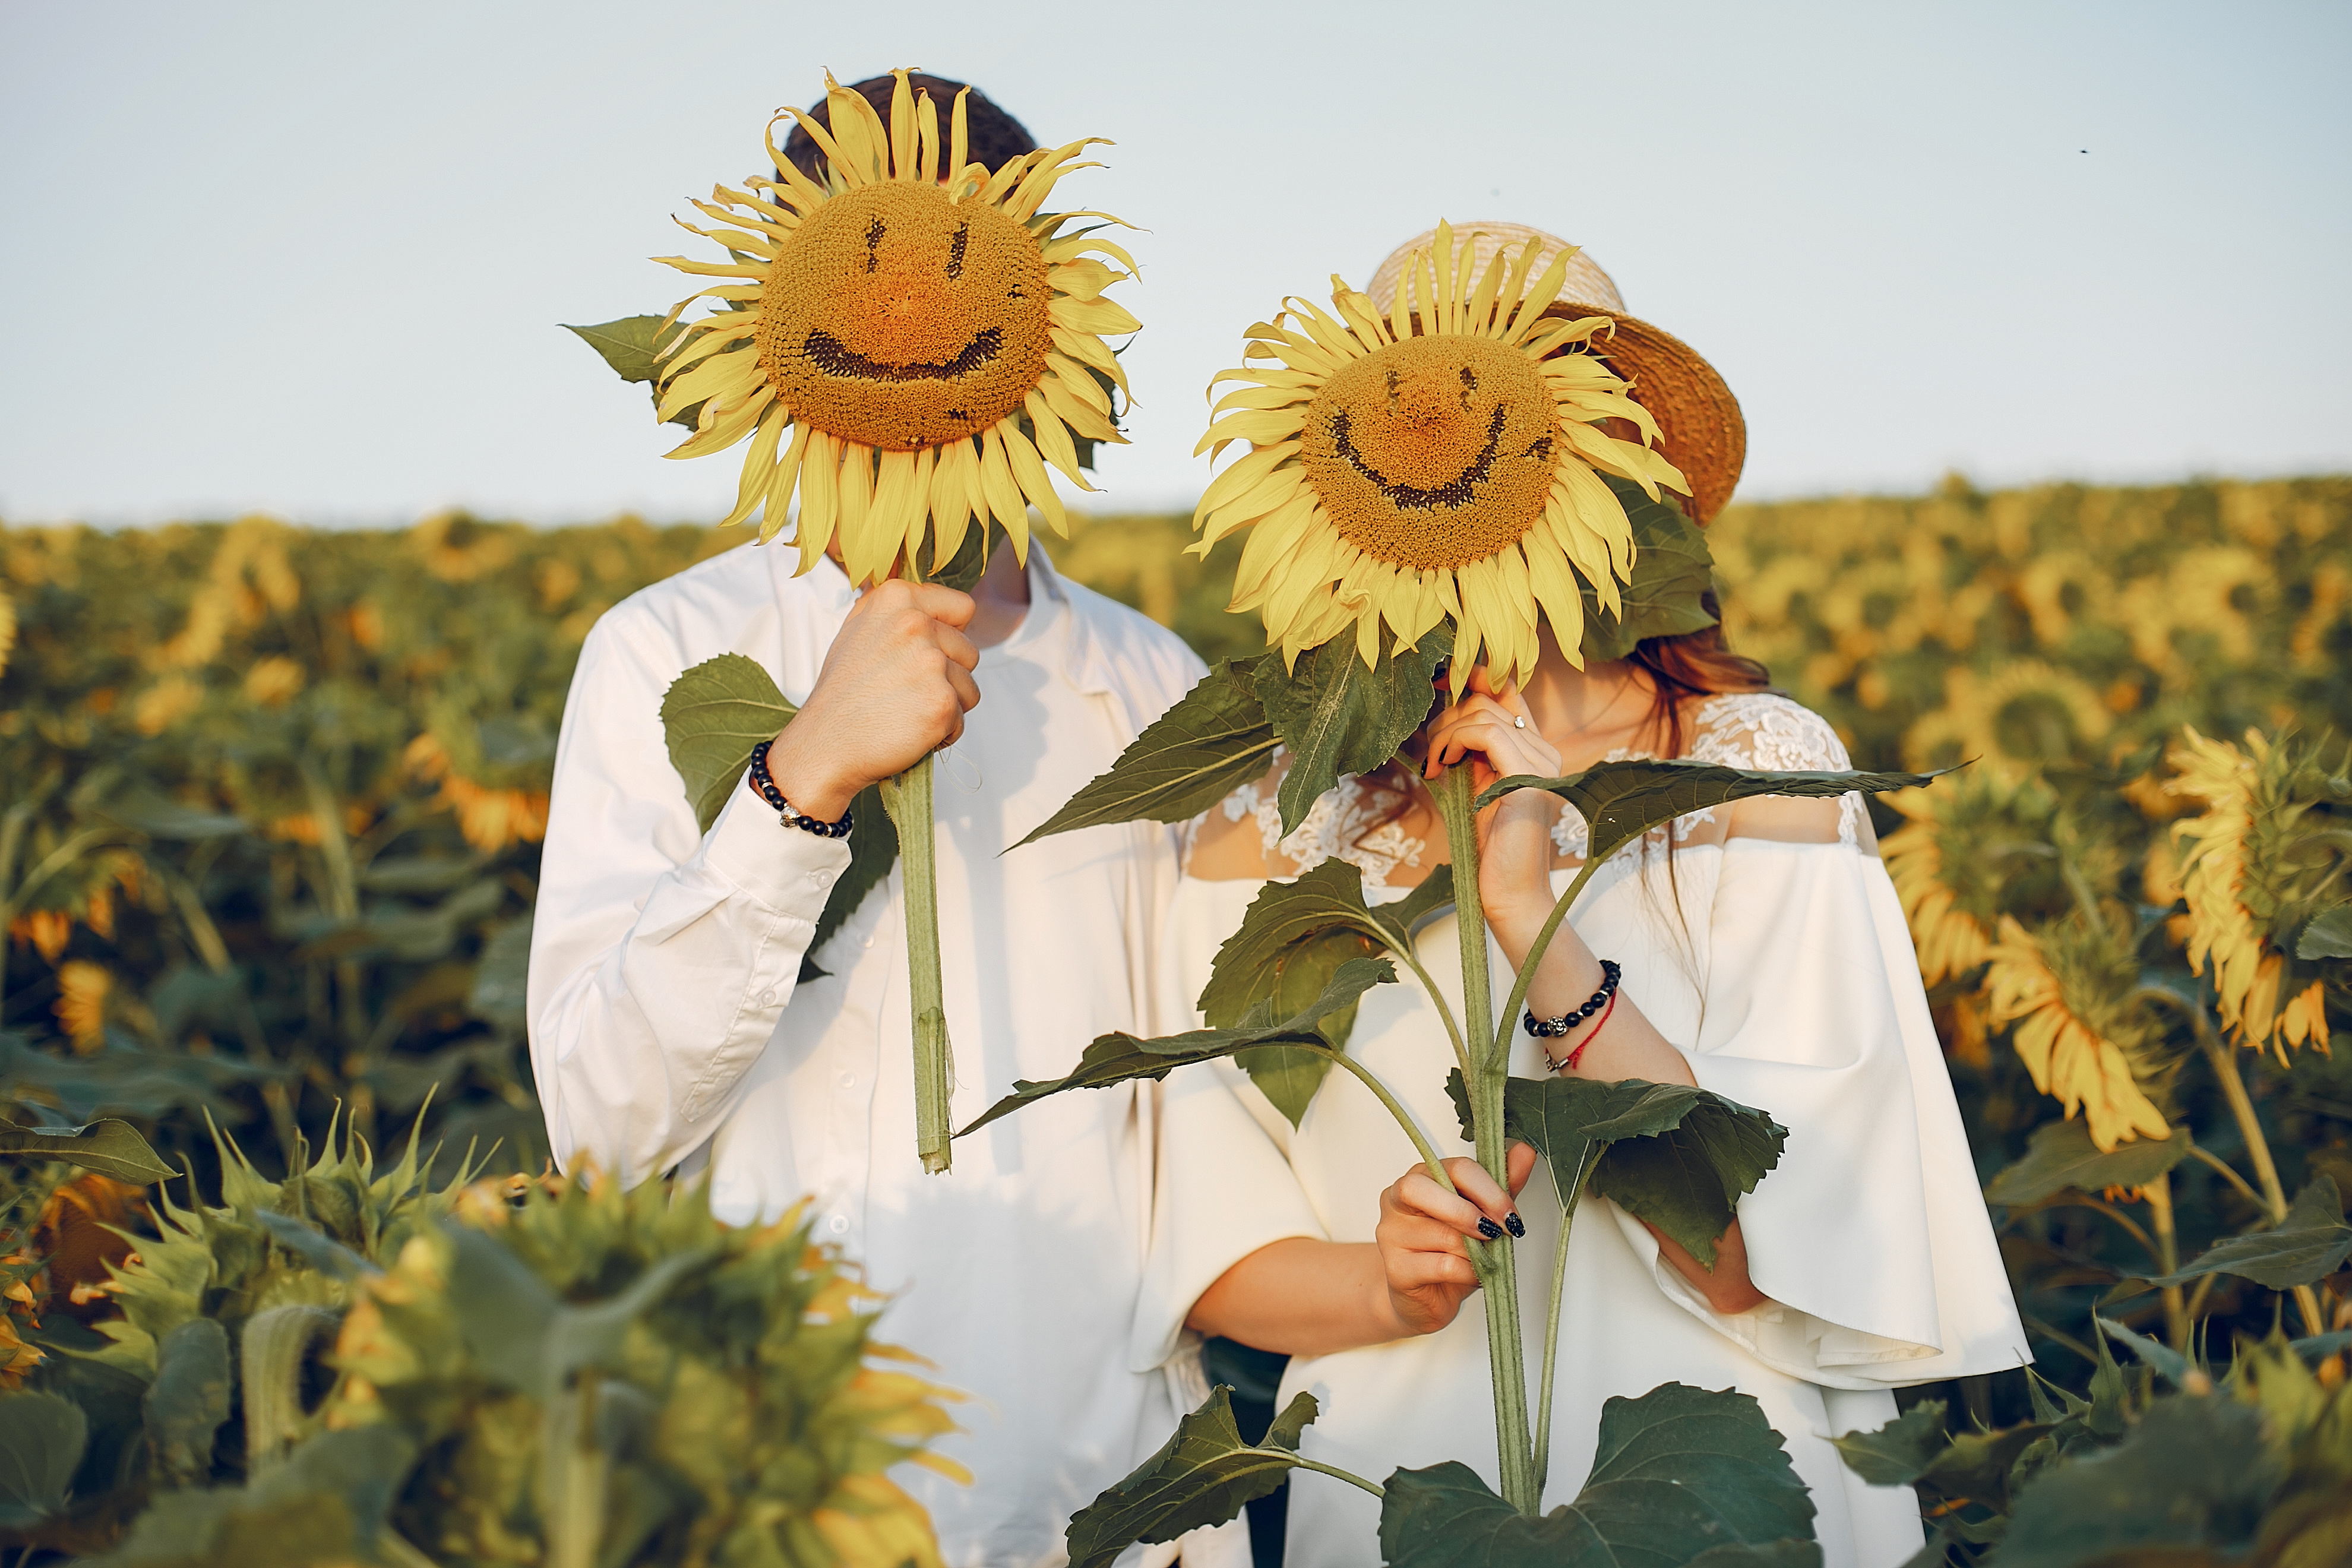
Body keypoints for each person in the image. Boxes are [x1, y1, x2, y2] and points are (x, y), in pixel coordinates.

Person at [1140, 229, 2028, 1566]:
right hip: (1402, 1499)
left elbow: (1761, 1260)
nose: (1447, 454)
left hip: (1718, 1511)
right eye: (1406, 426)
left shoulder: (1752, 773)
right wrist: (1388, 1283)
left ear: (1611, 466)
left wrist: (1535, 929)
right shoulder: (1275, 827)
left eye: (1510, 420)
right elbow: (1208, 1261)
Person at [530, 72, 1231, 1568]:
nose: (907, 311)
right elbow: (602, 1119)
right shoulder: (665, 653)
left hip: (1099, 1498)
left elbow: (1204, 1138)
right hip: (781, 1487)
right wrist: (795, 787)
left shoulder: (1149, 685)